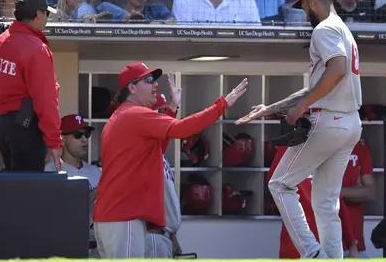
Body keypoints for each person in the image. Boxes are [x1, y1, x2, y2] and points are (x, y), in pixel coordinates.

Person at [236, 0, 362, 258]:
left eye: (304, 6)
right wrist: (271, 108)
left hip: (329, 121)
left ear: (311, 1)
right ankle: (331, 257)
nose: (305, 12)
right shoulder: (343, 30)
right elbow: (320, 83)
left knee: (279, 184)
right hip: (350, 123)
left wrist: (302, 105)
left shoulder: (324, 29)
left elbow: (337, 70)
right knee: (326, 204)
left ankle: (311, 253)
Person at [93, 62, 248, 258]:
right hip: (124, 216)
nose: (155, 85)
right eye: (148, 80)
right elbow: (181, 129)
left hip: (114, 217)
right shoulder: (135, 114)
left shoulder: (123, 116)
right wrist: (221, 105)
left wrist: (172, 108)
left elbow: (157, 148)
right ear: (132, 88)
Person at [0, 0, 63, 172]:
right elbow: (46, 99)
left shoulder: (0, 41)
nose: (46, 18)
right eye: (46, 13)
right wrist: (53, 141)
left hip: (4, 126)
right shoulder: (37, 48)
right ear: (38, 14)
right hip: (26, 127)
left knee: (13, 192)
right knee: (26, 195)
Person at [268, 145, 359, 259]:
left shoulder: (326, 151)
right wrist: (351, 243)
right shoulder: (290, 150)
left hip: (314, 246)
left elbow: (338, 205)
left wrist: (351, 243)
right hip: (297, 247)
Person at [44, 113, 102, 257]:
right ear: (62, 139)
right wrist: (97, 192)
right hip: (64, 244)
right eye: (77, 135)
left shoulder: (95, 171)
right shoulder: (51, 170)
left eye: (86, 134)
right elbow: (60, 209)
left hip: (96, 244)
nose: (84, 139)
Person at [145, 92, 183, 258]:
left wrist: (172, 236)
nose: (161, 118)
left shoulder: (157, 150)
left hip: (163, 236)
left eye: (163, 113)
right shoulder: (144, 152)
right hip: (153, 237)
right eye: (158, 113)